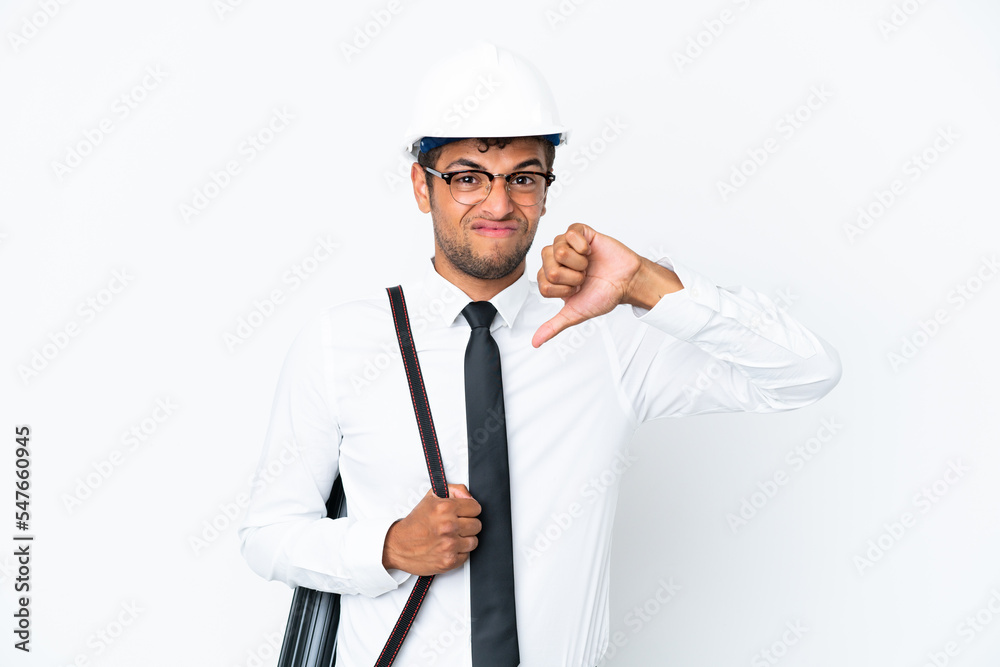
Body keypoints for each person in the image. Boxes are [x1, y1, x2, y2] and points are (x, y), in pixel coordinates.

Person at [238, 41, 842, 666]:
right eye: (468, 177)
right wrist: (388, 548)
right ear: (423, 185)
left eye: (522, 178)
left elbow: (805, 373)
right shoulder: (341, 342)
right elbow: (267, 536)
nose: (498, 204)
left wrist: (647, 284)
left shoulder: (607, 339)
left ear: (547, 190)